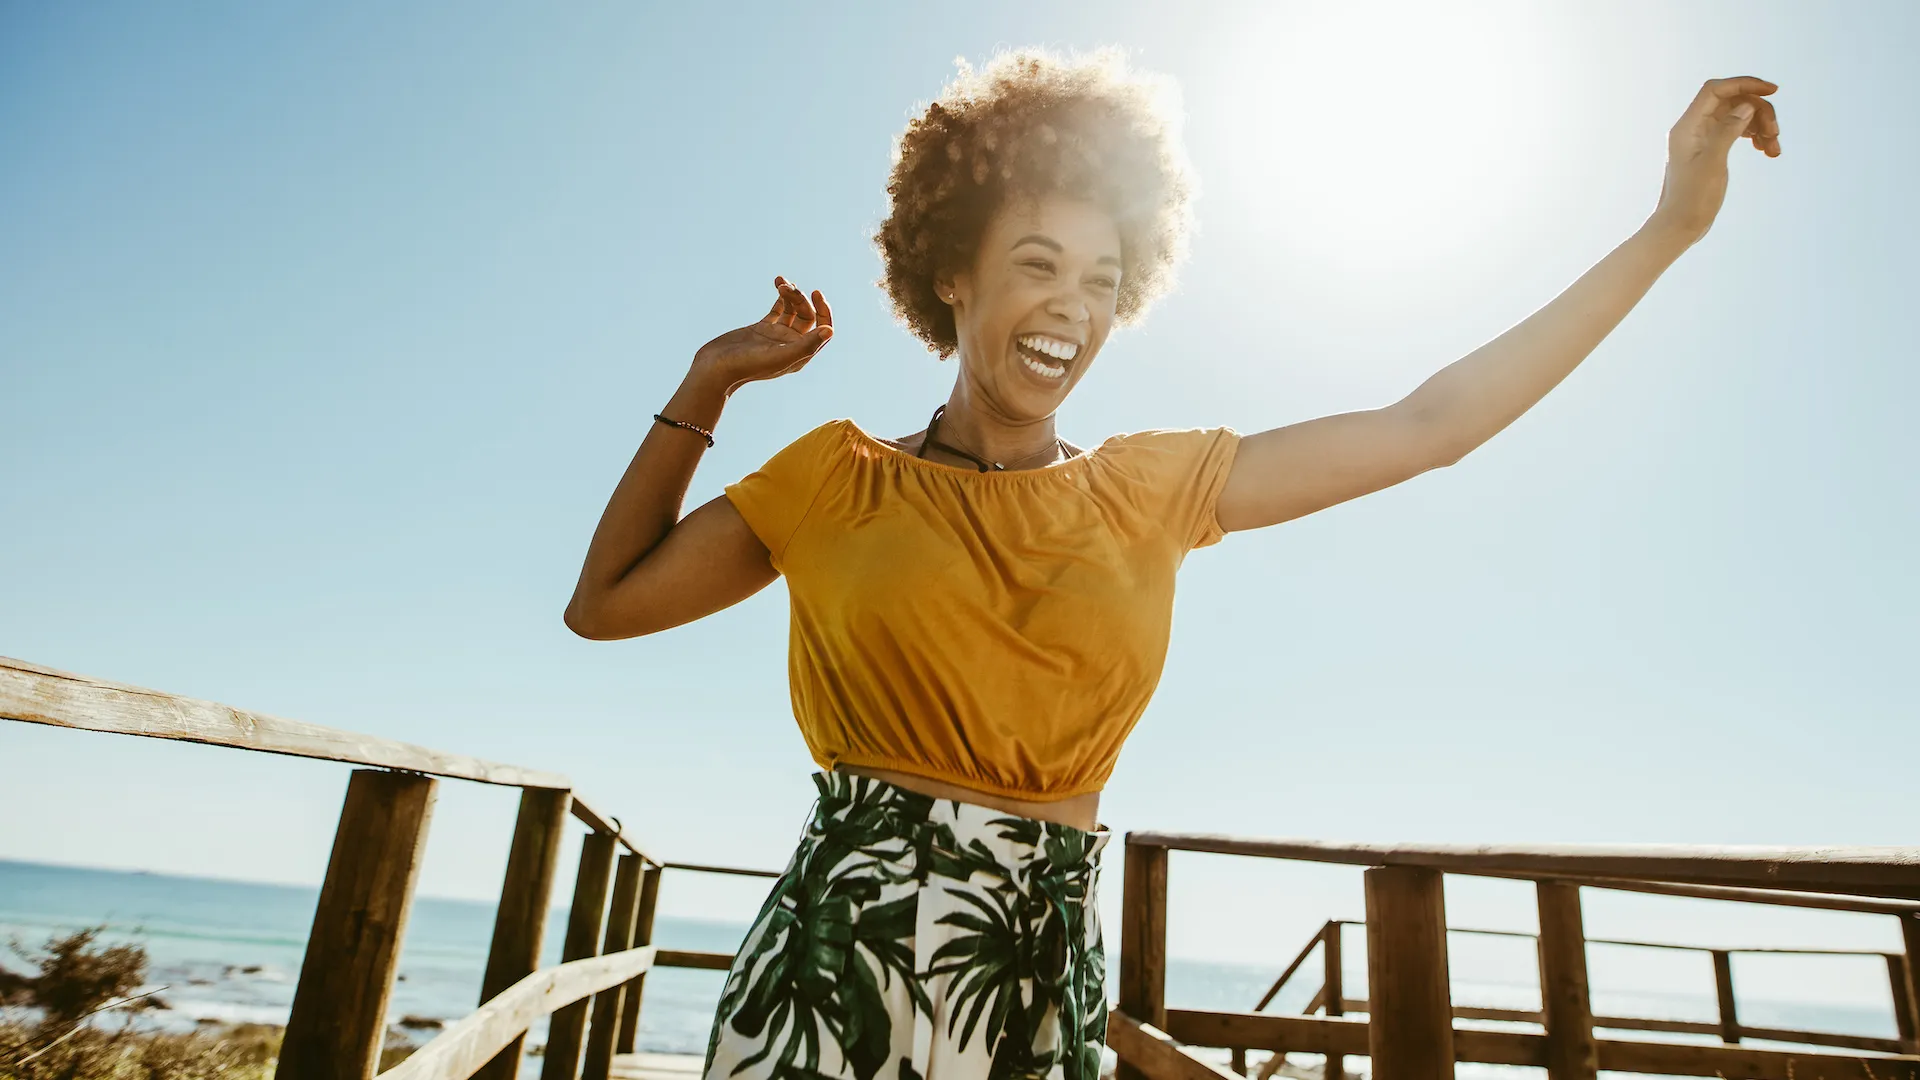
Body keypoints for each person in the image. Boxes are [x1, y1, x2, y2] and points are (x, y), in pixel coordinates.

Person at [564, 48, 1779, 1080]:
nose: (1070, 308)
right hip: (835, 961)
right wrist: (709, 379)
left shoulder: (1153, 488)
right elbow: (605, 606)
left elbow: (1431, 427)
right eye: (1037, 264)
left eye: (1101, 281)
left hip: (1034, 971)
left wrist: (1669, 228)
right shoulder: (834, 478)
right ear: (951, 272)